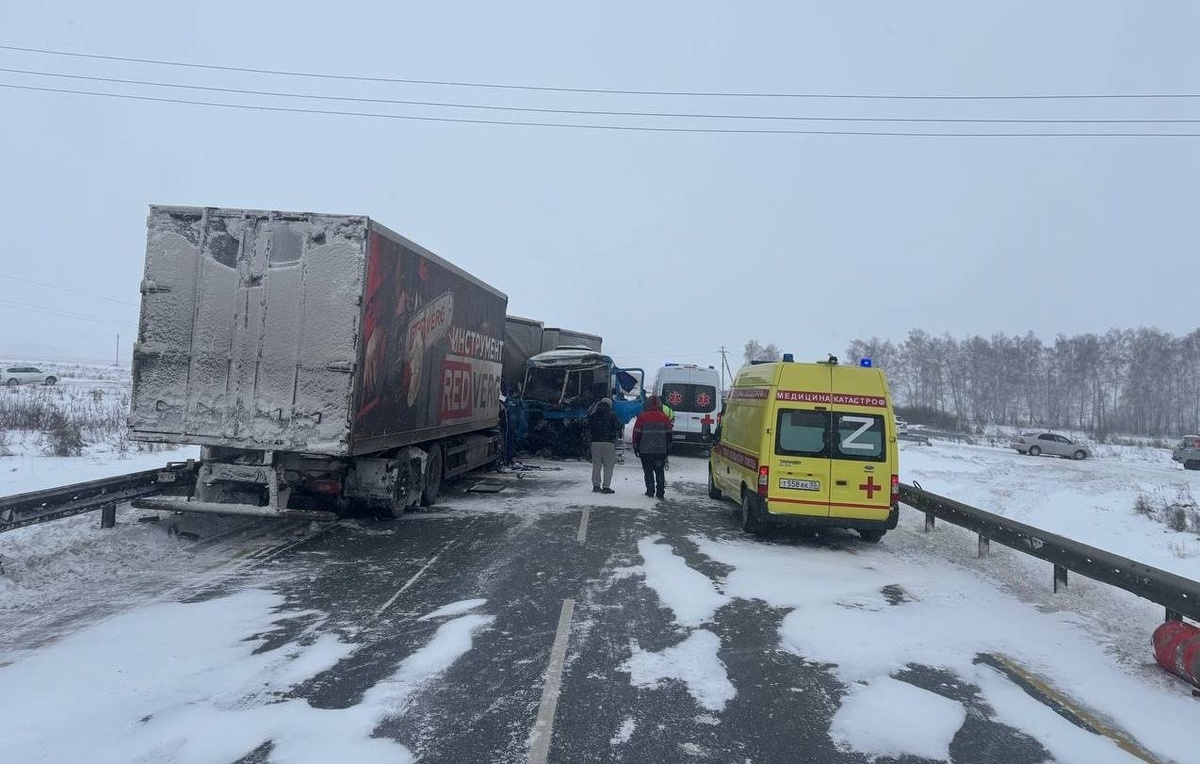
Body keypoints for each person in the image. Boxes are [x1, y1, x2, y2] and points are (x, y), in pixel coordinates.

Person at [633, 395, 673, 498]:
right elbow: (669, 435)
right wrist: (668, 448)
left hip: (645, 450)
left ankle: (650, 490)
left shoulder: (642, 417)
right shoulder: (664, 418)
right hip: (660, 450)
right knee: (659, 471)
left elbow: (636, 434)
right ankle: (660, 492)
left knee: (648, 471)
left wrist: (636, 447)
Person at [587, 397, 621, 494]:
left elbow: (588, 427)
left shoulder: (594, 415)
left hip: (595, 442)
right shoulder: (612, 415)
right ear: (609, 405)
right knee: (608, 466)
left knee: (596, 465)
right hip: (609, 443)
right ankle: (606, 486)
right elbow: (618, 426)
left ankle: (596, 486)